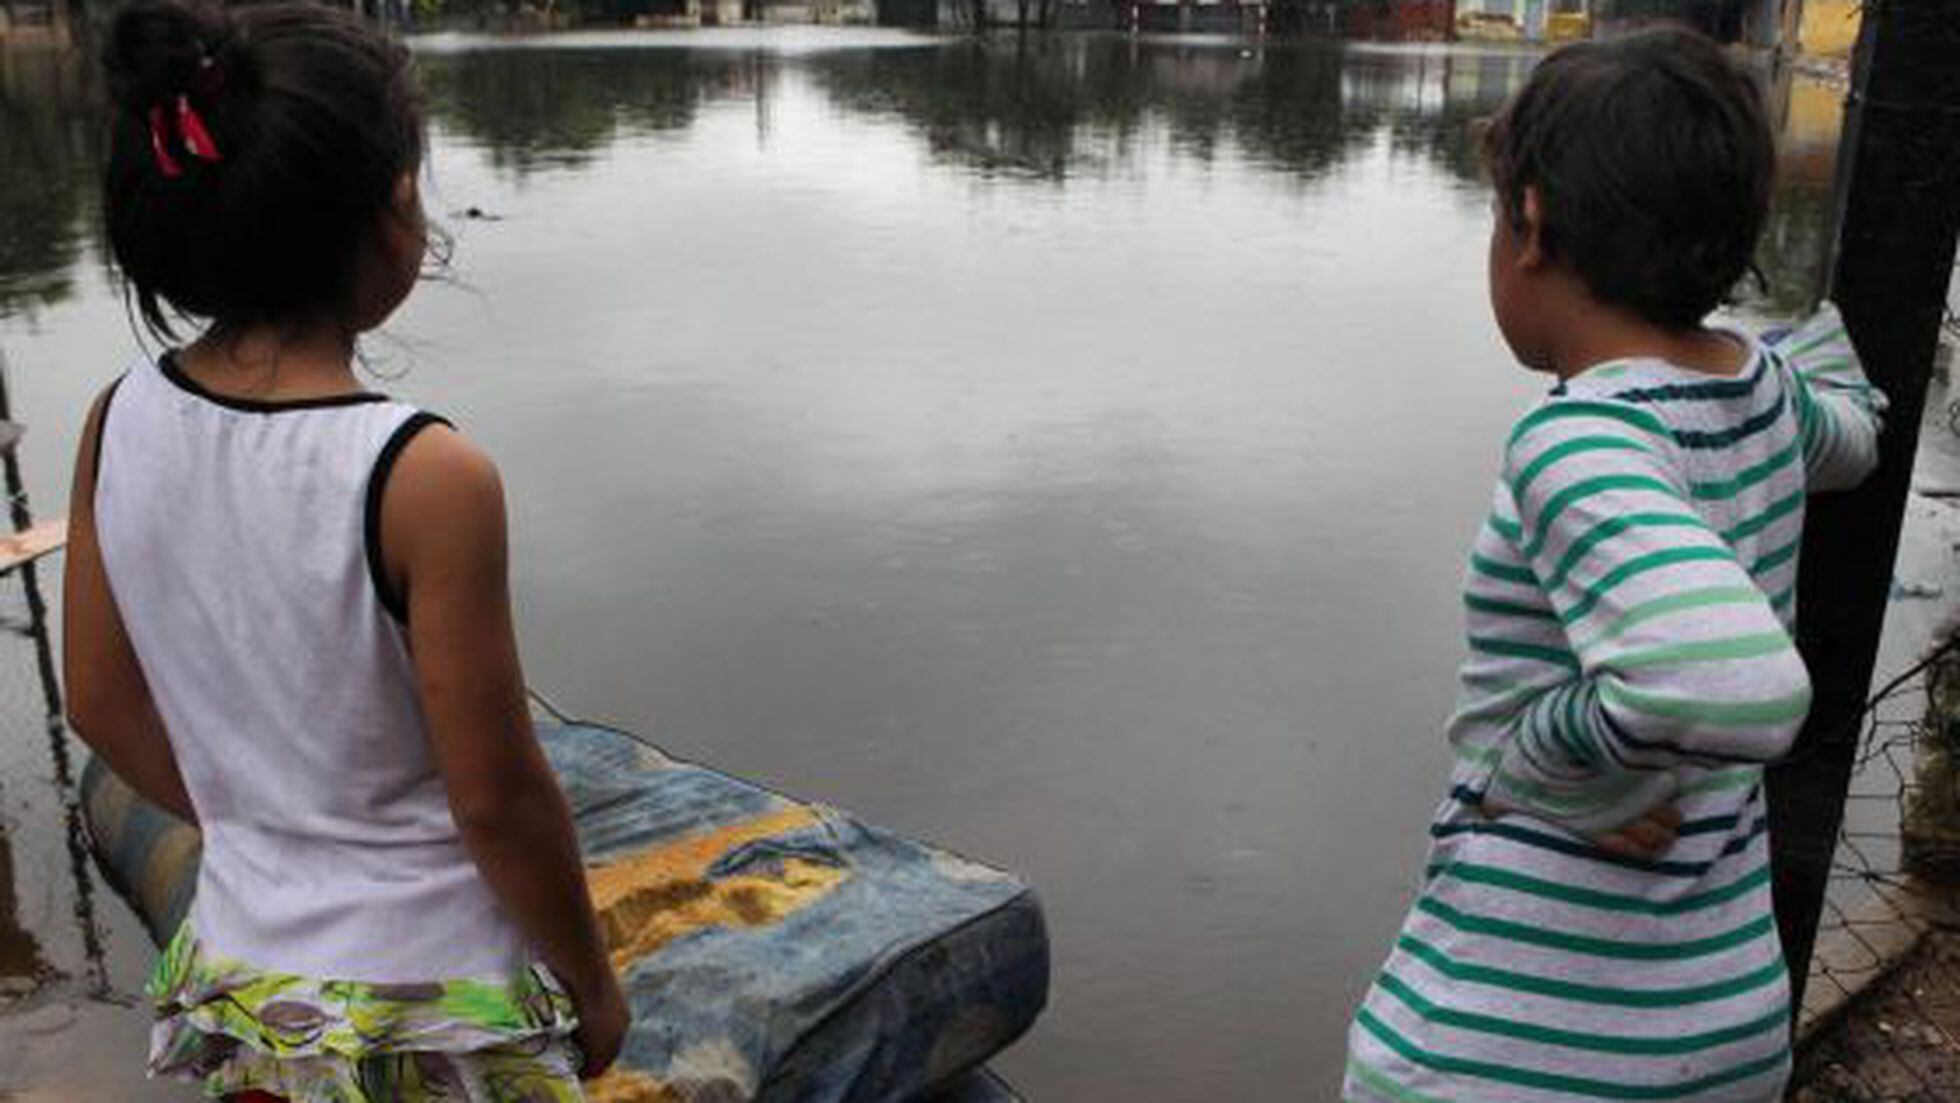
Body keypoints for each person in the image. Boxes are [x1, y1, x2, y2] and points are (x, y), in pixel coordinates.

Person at [62, 3, 629, 1098]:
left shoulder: (113, 417)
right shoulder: (426, 474)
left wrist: (264, 819)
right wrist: (592, 980)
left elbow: (97, 697)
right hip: (436, 1009)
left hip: (248, 982)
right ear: (394, 211)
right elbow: (497, 797)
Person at [1345, 28, 1886, 1102]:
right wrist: (1811, 348)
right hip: (1715, 1023)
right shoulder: (1763, 397)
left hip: (1505, 1046)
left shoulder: (1580, 441)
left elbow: (1738, 683)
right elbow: (1855, 438)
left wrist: (1538, 756)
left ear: (1530, 224)